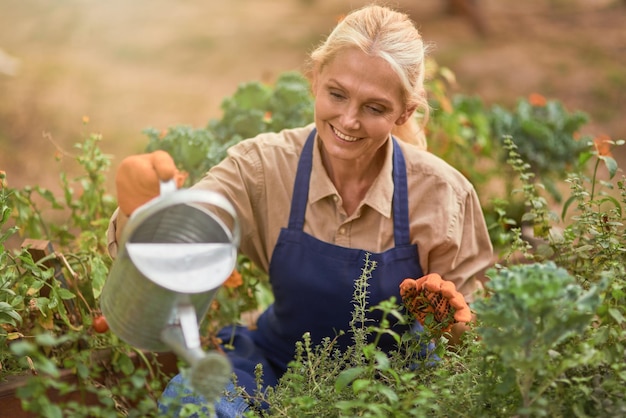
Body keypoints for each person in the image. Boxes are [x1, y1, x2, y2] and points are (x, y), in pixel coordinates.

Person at [107, 4, 493, 416]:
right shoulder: (262, 167)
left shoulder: (441, 193)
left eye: (374, 108)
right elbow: (181, 250)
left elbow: (477, 349)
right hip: (275, 366)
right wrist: (142, 213)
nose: (348, 120)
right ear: (314, 80)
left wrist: (452, 326)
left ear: (405, 112)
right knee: (193, 403)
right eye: (337, 94)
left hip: (396, 388)